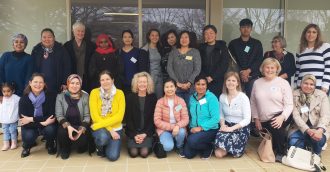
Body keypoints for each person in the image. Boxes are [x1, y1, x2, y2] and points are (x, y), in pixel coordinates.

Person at [251, 58, 293, 161]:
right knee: (271, 134)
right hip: (263, 118)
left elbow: (289, 104)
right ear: (263, 68)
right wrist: (256, 118)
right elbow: (253, 102)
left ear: (277, 69)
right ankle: (279, 144)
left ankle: (281, 153)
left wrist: (282, 117)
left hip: (280, 114)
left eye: (272, 68)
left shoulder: (283, 83)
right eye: (267, 67)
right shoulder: (257, 82)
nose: (269, 70)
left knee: (275, 126)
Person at [288, 74, 330, 155]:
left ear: (315, 86)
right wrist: (308, 130)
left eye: (311, 84)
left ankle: (315, 153)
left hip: (317, 128)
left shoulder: (322, 95)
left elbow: (325, 115)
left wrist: (320, 130)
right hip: (299, 128)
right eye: (306, 83)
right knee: (293, 143)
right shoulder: (294, 94)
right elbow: (295, 116)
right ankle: (305, 145)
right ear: (301, 84)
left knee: (318, 140)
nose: (308, 86)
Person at [89, 70, 125, 161]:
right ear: (100, 82)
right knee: (103, 137)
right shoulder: (94, 92)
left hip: (116, 128)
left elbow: (119, 117)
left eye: (107, 79)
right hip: (101, 128)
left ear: (112, 80)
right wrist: (110, 130)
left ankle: (107, 144)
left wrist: (113, 130)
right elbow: (95, 116)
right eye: (102, 80)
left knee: (113, 157)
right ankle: (100, 146)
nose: (105, 82)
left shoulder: (120, 93)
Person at [19, 73, 57, 158]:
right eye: (35, 82)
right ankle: (26, 146)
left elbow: (51, 116)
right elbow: (23, 120)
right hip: (30, 126)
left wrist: (31, 119)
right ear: (30, 83)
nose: (38, 84)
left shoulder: (51, 96)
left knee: (50, 129)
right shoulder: (24, 99)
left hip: (45, 124)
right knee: (29, 135)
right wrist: (43, 123)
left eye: (41, 82)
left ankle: (50, 144)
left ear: (44, 84)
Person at [214, 72, 251, 158]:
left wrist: (231, 129)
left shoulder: (243, 97)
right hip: (226, 125)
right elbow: (221, 114)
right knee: (218, 154)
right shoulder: (222, 96)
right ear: (225, 82)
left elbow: (247, 119)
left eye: (233, 80)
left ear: (237, 83)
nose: (231, 82)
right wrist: (223, 125)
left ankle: (234, 148)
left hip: (240, 128)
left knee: (233, 154)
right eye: (228, 80)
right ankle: (228, 148)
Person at [55, 74, 92, 159]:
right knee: (62, 133)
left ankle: (80, 145)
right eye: (72, 83)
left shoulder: (85, 96)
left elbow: (87, 116)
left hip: (80, 125)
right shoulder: (60, 96)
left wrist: (82, 129)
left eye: (77, 83)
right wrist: (68, 126)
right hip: (66, 126)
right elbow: (59, 115)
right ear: (68, 84)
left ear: (80, 85)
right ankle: (65, 148)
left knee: (82, 142)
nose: (74, 86)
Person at [184, 75, 220, 159]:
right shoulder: (192, 98)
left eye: (203, 84)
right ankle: (201, 146)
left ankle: (209, 147)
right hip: (194, 129)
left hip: (209, 129)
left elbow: (216, 119)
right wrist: (187, 127)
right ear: (194, 85)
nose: (200, 87)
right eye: (198, 84)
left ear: (207, 86)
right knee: (188, 154)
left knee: (192, 141)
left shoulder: (212, 98)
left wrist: (201, 128)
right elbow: (189, 114)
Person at [228, 18, 263, 98]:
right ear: (240, 29)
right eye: (243, 27)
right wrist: (241, 72)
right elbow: (231, 61)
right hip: (236, 76)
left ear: (251, 29)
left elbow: (259, 60)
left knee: (253, 99)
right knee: (235, 99)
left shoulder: (257, 43)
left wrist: (248, 71)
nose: (246, 29)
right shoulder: (233, 44)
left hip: (253, 76)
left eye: (248, 27)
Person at [125, 72, 157, 158]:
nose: (142, 84)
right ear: (136, 83)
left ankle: (150, 141)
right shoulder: (130, 97)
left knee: (144, 153)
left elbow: (153, 119)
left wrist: (145, 134)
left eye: (144, 82)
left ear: (148, 83)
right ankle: (134, 140)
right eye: (140, 82)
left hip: (147, 131)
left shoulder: (153, 97)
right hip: (133, 131)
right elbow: (128, 118)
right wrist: (135, 134)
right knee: (133, 153)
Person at [154, 78, 189, 157]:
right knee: (168, 147)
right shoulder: (160, 102)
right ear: (163, 89)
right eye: (167, 87)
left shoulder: (181, 101)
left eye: (171, 86)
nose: (169, 89)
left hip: (178, 129)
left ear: (175, 88)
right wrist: (173, 127)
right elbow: (157, 121)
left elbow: (185, 119)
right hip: (164, 130)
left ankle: (179, 146)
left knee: (182, 132)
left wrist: (178, 126)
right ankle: (171, 140)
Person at [31, 28, 71, 93]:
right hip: (39, 85)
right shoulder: (36, 50)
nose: (47, 39)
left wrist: (65, 83)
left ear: (54, 38)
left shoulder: (61, 49)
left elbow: (67, 67)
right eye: (44, 37)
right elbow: (32, 67)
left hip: (57, 85)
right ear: (41, 39)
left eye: (49, 37)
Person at [167, 30, 201, 104]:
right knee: (178, 108)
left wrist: (189, 82)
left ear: (190, 39)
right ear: (179, 40)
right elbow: (169, 68)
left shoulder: (195, 52)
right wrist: (177, 82)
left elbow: (197, 69)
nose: (184, 39)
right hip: (176, 87)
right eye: (182, 37)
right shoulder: (173, 53)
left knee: (190, 107)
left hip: (191, 87)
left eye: (186, 37)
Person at [295, 24, 330, 94]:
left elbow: (328, 66)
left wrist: (325, 85)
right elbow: (298, 70)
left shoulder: (325, 46)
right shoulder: (300, 49)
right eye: (308, 32)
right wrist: (296, 84)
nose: (311, 34)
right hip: (302, 87)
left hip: (319, 87)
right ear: (305, 34)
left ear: (318, 34)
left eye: (314, 32)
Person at [63, 21, 96, 93]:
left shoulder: (91, 46)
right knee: (73, 100)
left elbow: (94, 63)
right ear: (73, 32)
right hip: (72, 79)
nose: (80, 33)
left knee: (86, 99)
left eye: (82, 31)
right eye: (78, 31)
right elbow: (64, 64)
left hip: (87, 79)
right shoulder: (67, 46)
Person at [199, 25, 230, 98]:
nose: (209, 35)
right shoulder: (201, 48)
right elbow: (198, 64)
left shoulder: (222, 47)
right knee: (203, 101)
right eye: (206, 33)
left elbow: (224, 64)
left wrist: (212, 77)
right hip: (203, 80)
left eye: (211, 33)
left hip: (217, 80)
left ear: (215, 34)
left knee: (215, 101)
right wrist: (204, 77)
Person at [116, 30, 145, 94]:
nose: (127, 39)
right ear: (122, 39)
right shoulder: (118, 52)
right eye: (125, 37)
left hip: (135, 84)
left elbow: (142, 69)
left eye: (129, 37)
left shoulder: (139, 52)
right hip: (121, 85)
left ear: (132, 39)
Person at [140, 29, 164, 98]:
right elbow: (142, 68)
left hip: (159, 78)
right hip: (150, 78)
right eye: (152, 35)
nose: (155, 37)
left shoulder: (160, 48)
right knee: (150, 99)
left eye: (157, 35)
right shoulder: (144, 50)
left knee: (159, 98)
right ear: (149, 37)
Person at [0, 83, 20, 150]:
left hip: (13, 119)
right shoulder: (2, 99)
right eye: (4, 91)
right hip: (4, 119)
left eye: (8, 91)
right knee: (5, 131)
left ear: (13, 91)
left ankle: (14, 142)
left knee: (12, 130)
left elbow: (22, 101)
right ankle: (6, 144)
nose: (6, 93)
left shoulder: (16, 98)